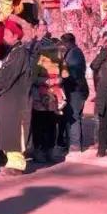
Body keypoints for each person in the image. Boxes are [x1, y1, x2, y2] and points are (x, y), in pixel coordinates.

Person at [0, 20, 34, 176]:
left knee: (15, 131)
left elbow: (8, 75)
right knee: (7, 130)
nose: (4, 37)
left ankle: (17, 164)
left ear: (15, 36)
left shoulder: (20, 53)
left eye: (7, 34)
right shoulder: (12, 52)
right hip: (9, 98)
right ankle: (11, 161)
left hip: (16, 100)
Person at [30, 34, 67, 163]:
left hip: (53, 97)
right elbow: (32, 78)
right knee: (39, 125)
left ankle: (49, 150)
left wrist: (59, 79)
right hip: (39, 98)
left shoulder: (58, 59)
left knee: (51, 125)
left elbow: (64, 74)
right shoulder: (37, 59)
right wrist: (46, 81)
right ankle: (38, 150)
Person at [59, 32, 89, 153]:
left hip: (76, 90)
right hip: (74, 89)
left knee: (74, 116)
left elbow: (72, 73)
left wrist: (62, 76)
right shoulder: (72, 53)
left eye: (63, 43)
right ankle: (72, 143)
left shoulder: (75, 53)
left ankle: (75, 145)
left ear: (68, 42)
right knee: (71, 116)